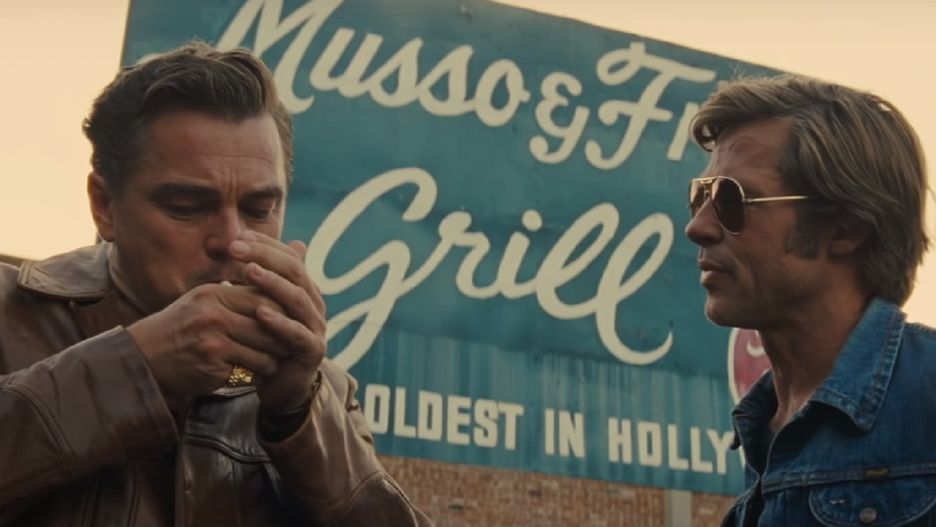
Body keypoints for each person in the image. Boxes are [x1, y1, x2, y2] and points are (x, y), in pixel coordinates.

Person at [0, 42, 433, 526]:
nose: (232, 241)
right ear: (104, 206)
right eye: (187, 207)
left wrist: (298, 416)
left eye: (260, 210)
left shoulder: (321, 388)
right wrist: (138, 366)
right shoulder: (10, 313)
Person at [685, 73, 935, 525]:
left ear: (845, 230)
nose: (698, 227)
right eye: (699, 196)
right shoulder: (762, 440)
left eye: (731, 200)